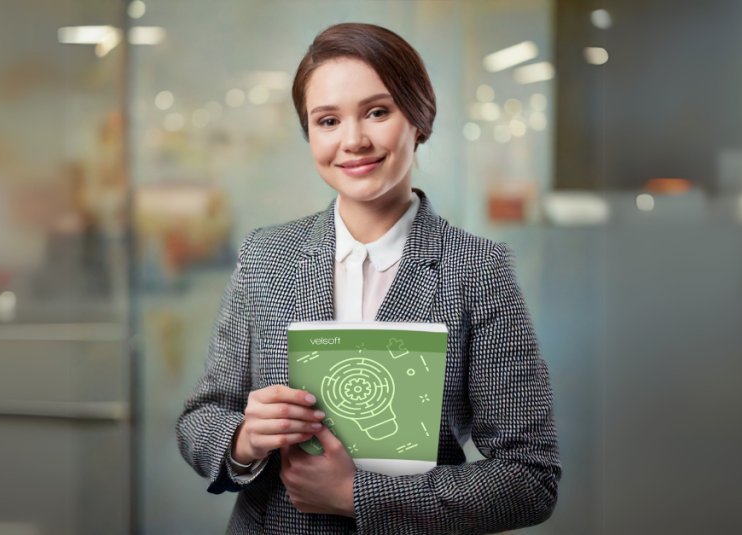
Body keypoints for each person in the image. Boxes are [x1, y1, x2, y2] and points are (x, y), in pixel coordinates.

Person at [176, 22, 561, 535]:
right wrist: (245, 439)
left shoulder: (478, 270)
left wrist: (355, 495)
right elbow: (200, 420)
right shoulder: (265, 257)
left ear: (419, 119)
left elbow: (530, 478)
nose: (353, 141)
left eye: (378, 112)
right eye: (328, 120)